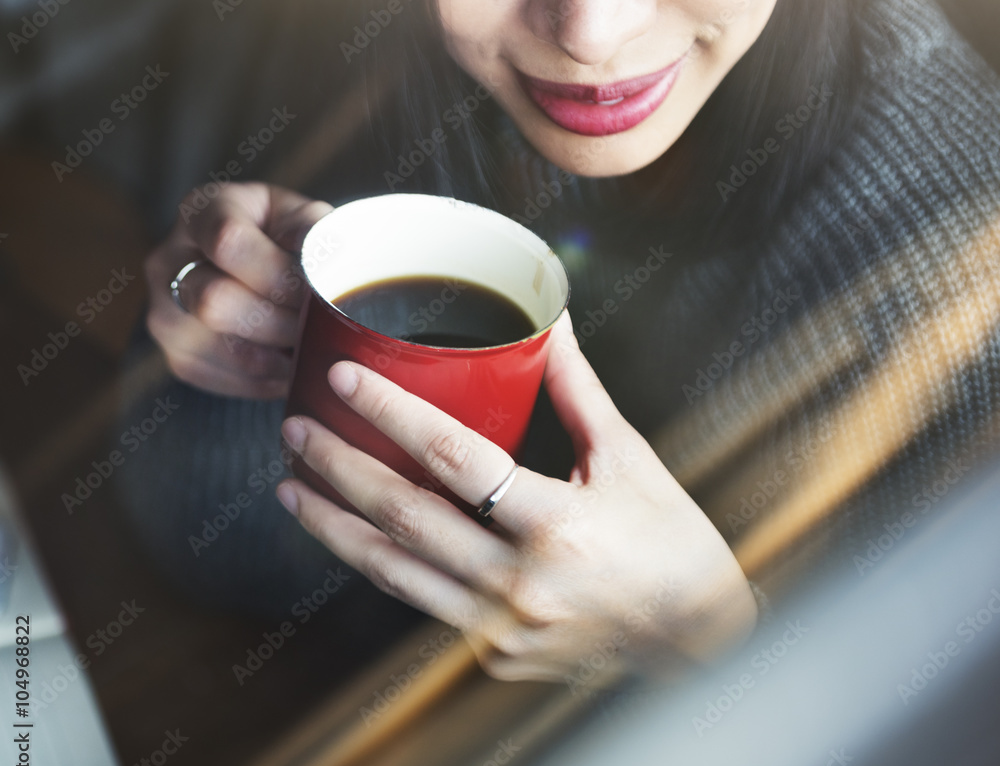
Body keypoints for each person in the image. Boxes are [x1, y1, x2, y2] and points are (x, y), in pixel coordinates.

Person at [133, 0, 1000, 682]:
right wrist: (247, 332)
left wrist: (719, 644)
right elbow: (206, 541)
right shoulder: (346, 38)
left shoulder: (958, 266)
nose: (589, 33)